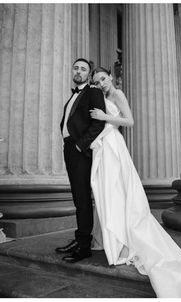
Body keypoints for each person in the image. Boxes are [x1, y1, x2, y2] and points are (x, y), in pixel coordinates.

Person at [88, 67, 181, 298]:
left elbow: (129, 121)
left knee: (120, 190)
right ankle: (115, 238)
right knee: (110, 193)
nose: (101, 83)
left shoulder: (118, 94)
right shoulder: (102, 97)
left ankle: (125, 240)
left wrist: (105, 117)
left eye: (103, 79)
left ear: (110, 77)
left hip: (115, 146)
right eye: (97, 81)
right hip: (104, 146)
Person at [55, 59, 106, 263]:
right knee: (78, 197)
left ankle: (84, 246)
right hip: (70, 148)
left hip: (80, 150)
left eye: (83, 69)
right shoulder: (74, 94)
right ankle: (80, 239)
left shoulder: (93, 92)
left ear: (88, 74)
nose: (78, 71)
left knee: (83, 199)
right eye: (76, 68)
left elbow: (98, 122)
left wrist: (80, 145)